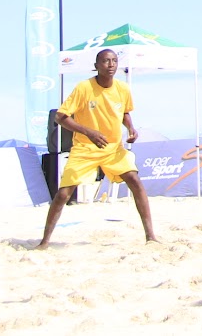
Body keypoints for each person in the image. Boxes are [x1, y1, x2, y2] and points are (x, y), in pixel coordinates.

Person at [37, 49, 156, 248]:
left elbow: (124, 112)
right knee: (64, 194)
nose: (110, 65)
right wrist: (88, 132)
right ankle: (44, 241)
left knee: (135, 180)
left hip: (113, 148)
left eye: (114, 61)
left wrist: (131, 128)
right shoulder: (84, 88)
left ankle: (151, 236)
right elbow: (60, 116)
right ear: (96, 66)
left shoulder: (122, 89)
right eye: (105, 61)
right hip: (85, 148)